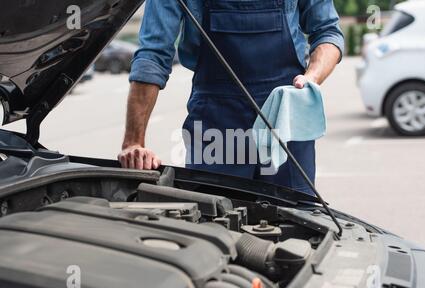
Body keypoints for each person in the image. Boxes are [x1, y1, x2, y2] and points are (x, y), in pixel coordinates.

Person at [118, 0, 344, 194]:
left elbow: (327, 32)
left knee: (297, 228)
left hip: (286, 120)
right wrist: (134, 142)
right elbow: (153, 55)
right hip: (217, 121)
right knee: (215, 221)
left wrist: (312, 77)